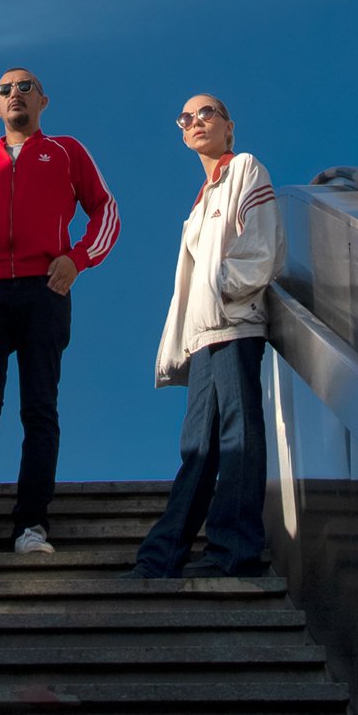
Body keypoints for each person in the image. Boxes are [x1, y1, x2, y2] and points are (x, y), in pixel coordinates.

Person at [0, 68, 120, 557]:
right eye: (4, 90)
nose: (14, 94)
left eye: (25, 87)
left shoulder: (64, 152)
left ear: (43, 101)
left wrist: (76, 259)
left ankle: (30, 528)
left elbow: (105, 210)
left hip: (45, 291)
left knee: (39, 409)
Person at [124, 94, 285, 579]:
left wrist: (221, 291)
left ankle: (233, 553)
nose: (195, 121)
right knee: (197, 447)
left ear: (228, 127)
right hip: (203, 339)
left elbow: (263, 246)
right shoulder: (198, 205)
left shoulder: (245, 169)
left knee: (237, 436)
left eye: (206, 113)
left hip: (235, 326)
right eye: (186, 118)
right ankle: (162, 556)